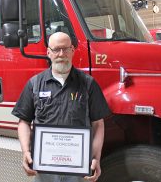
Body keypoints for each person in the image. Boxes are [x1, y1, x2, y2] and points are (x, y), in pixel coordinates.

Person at [12, 32, 111, 182]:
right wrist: (26, 151)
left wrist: (96, 157)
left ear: (73, 50)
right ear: (48, 53)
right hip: (44, 168)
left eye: (65, 49)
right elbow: (24, 122)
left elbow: (98, 124)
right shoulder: (34, 84)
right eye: (56, 49)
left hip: (77, 170)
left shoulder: (88, 84)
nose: (61, 54)